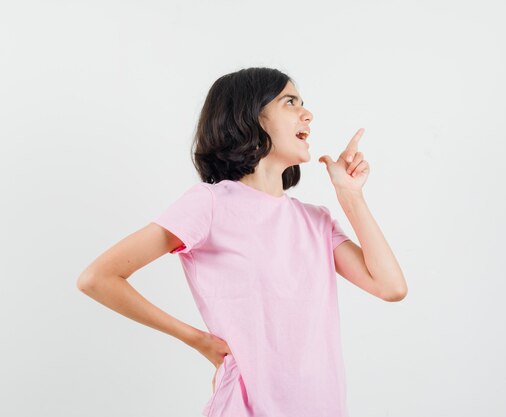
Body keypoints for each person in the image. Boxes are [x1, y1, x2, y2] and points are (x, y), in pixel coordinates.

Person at [76, 67, 407, 416]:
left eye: (303, 103)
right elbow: (98, 278)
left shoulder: (316, 221)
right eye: (290, 102)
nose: (307, 113)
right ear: (251, 116)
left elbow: (390, 287)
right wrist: (198, 339)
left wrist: (350, 196)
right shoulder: (210, 204)